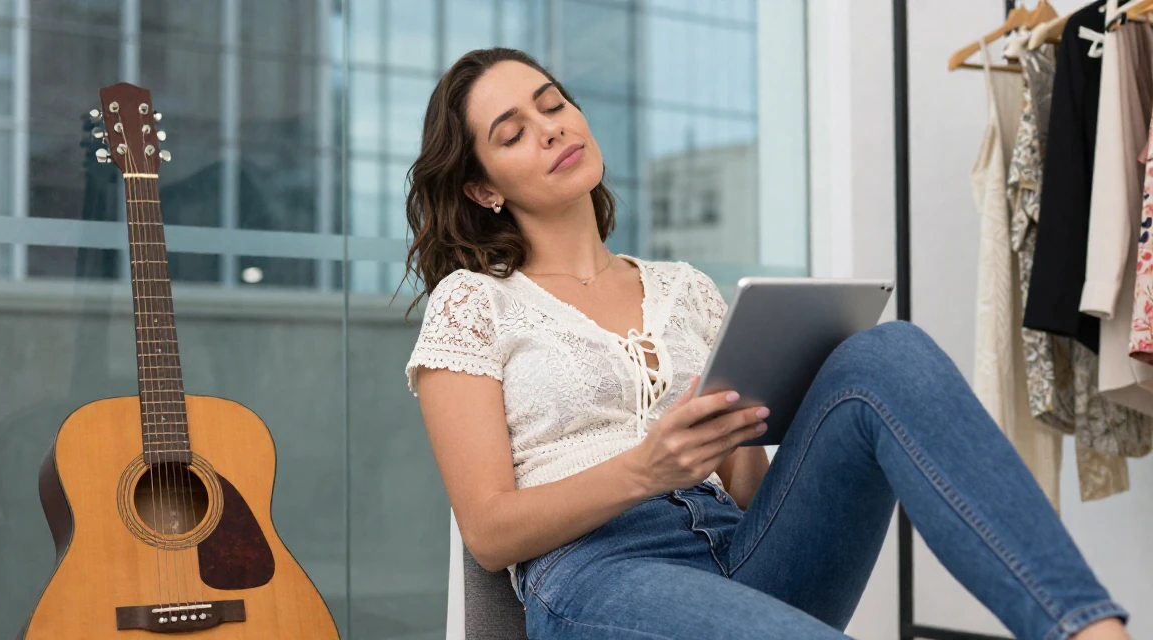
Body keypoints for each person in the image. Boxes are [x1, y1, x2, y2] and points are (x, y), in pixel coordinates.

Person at [397, 46, 1131, 640]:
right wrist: (648, 468)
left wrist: (734, 427)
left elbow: (747, 490)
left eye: (553, 103)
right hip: (598, 575)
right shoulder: (474, 302)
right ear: (483, 189)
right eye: (513, 132)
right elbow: (489, 532)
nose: (551, 127)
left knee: (885, 353)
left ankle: (1087, 631)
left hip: (743, 548)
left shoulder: (686, 289)